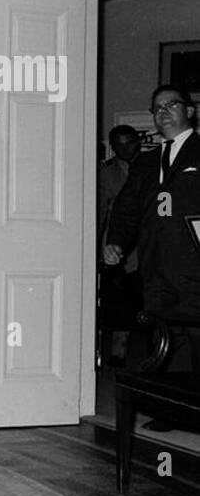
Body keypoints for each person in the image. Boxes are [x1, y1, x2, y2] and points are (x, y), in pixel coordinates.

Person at [105, 85, 200, 373]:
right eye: (157, 109)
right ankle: (169, 414)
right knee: (165, 342)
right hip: (155, 268)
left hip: (193, 267)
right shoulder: (146, 162)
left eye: (171, 105)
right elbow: (127, 207)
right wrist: (117, 242)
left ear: (190, 111)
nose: (163, 113)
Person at [97, 124, 141, 364]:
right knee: (118, 306)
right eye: (119, 145)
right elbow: (100, 211)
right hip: (116, 246)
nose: (125, 149)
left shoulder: (151, 167)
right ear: (112, 147)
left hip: (145, 248)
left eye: (129, 142)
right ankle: (117, 358)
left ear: (138, 141)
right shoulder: (106, 173)